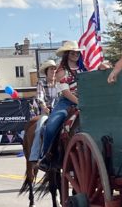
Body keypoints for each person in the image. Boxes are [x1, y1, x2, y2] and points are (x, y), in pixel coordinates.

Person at [37, 41, 87, 170]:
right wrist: (80, 102)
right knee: (51, 125)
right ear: (66, 54)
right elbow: (66, 92)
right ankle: (46, 157)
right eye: (72, 52)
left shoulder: (84, 68)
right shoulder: (61, 70)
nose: (75, 54)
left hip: (87, 99)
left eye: (77, 52)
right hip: (67, 102)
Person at [28, 59, 59, 163]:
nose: (53, 71)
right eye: (51, 69)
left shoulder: (59, 83)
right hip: (46, 112)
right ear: (46, 71)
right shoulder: (41, 83)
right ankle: (35, 155)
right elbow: (40, 97)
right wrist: (44, 107)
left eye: (55, 69)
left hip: (59, 111)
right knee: (39, 127)